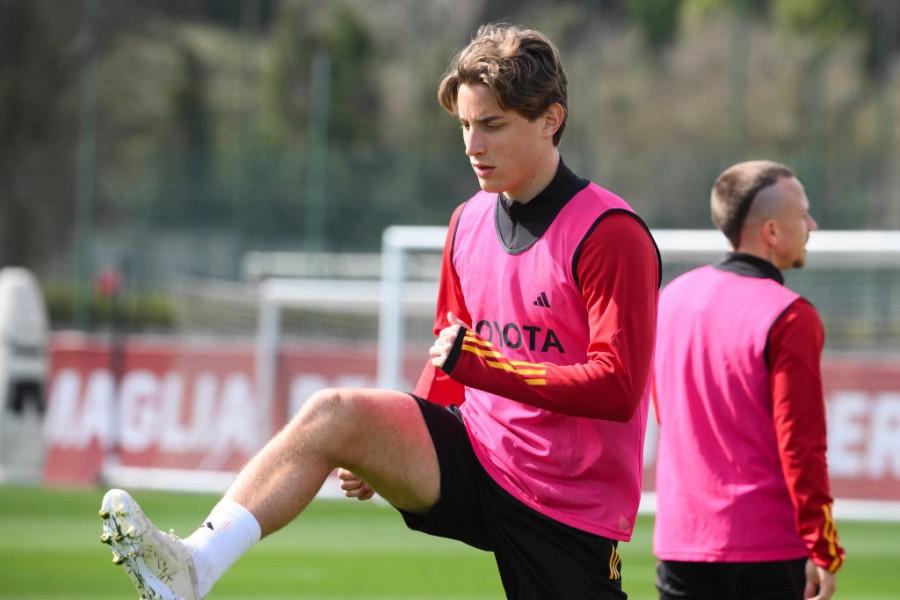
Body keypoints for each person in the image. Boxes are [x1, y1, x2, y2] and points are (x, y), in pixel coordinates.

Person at [98, 23, 660, 600]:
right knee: (335, 414)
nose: (472, 145)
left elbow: (617, 386)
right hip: (479, 455)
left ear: (551, 119)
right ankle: (194, 567)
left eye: (492, 125)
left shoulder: (609, 233)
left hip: (567, 506)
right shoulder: (467, 222)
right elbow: (452, 354)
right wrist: (388, 448)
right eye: (465, 125)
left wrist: (484, 368)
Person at [651, 160, 846, 600]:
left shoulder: (671, 298)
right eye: (803, 214)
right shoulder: (791, 315)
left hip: (682, 544)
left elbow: (668, 414)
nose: (811, 226)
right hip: (765, 552)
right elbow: (801, 445)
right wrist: (823, 547)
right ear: (773, 233)